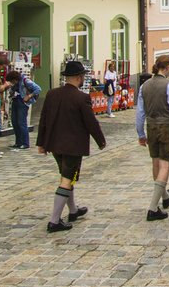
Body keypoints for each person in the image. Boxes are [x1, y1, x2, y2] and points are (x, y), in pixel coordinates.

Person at [36, 61, 107, 232]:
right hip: (73, 145)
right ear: (79, 77)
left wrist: (41, 142)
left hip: (54, 144)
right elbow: (91, 122)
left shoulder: (52, 94)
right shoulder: (81, 97)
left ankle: (73, 210)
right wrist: (101, 141)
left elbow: (43, 119)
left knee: (66, 176)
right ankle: (54, 221)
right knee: (67, 179)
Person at [135, 55, 169, 220]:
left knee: (155, 163)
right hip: (166, 127)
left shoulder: (145, 86)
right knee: (164, 166)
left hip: (151, 127)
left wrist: (140, 133)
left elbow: (140, 112)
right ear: (168, 67)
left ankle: (164, 196)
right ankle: (153, 208)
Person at [6, 70, 41, 149]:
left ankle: (25, 143)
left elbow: (38, 89)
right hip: (15, 101)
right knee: (14, 122)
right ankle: (18, 142)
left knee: (21, 122)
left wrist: (29, 96)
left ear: (15, 79)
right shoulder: (15, 84)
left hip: (22, 103)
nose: (12, 82)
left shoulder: (25, 80)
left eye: (12, 81)